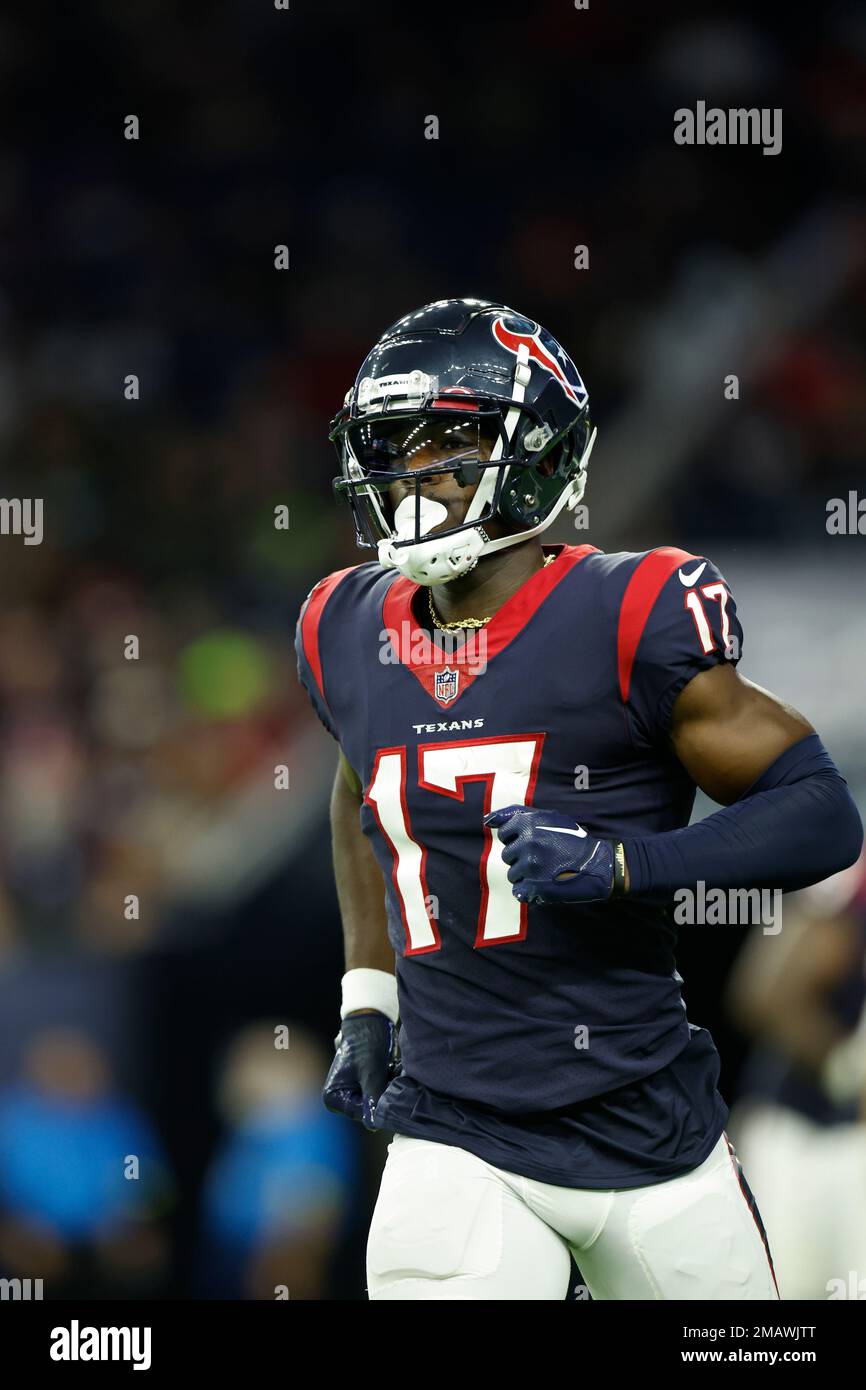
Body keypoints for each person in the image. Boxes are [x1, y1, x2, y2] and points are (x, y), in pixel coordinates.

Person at [295, 297, 863, 1300]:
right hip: (455, 1126)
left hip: (651, 1126)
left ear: (540, 457)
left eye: (448, 446)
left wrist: (624, 865)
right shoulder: (342, 623)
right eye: (391, 446)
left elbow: (820, 810)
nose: (408, 475)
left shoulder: (628, 610)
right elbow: (358, 792)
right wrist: (367, 1000)